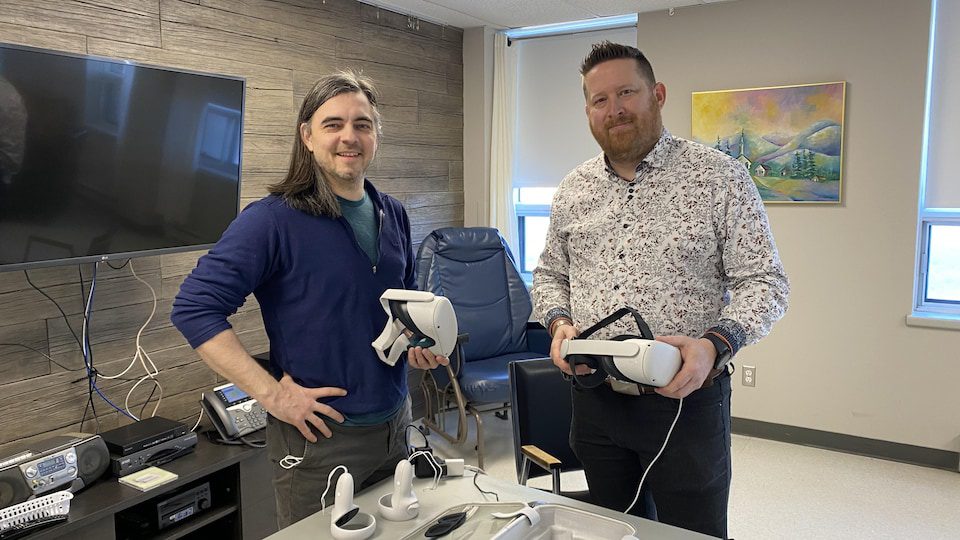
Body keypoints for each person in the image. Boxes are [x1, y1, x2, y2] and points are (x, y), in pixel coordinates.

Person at [531, 41, 789, 539]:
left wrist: (717, 342)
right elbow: (549, 275)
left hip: (685, 404)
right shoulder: (572, 190)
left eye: (626, 92)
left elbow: (766, 281)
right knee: (613, 528)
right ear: (587, 110)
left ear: (658, 94)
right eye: (600, 100)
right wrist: (559, 321)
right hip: (596, 401)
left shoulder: (719, 179)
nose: (615, 109)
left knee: (692, 532)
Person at [171, 70, 448, 528]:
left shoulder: (392, 212)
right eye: (333, 124)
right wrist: (273, 395)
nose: (349, 137)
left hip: (396, 423)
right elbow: (194, 309)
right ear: (307, 136)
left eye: (362, 124)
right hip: (321, 440)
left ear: (376, 133)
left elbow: (397, 307)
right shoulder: (271, 222)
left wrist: (418, 343)